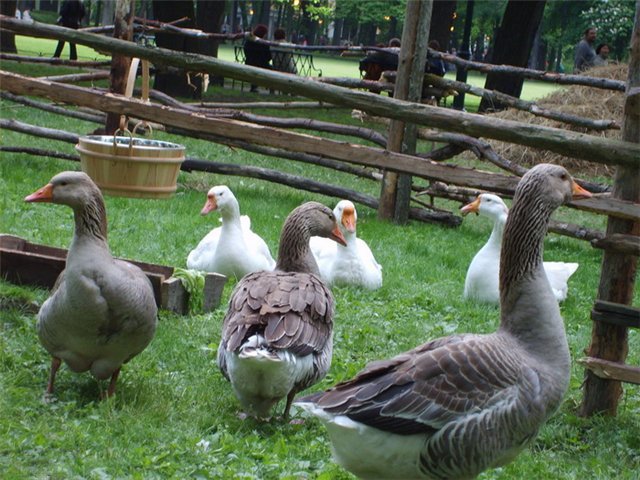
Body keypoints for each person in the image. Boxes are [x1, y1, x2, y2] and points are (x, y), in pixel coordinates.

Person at [243, 24, 271, 92]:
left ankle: (254, 86)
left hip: (249, 62)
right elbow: (269, 57)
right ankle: (271, 87)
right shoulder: (263, 44)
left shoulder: (248, 42)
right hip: (262, 64)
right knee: (272, 69)